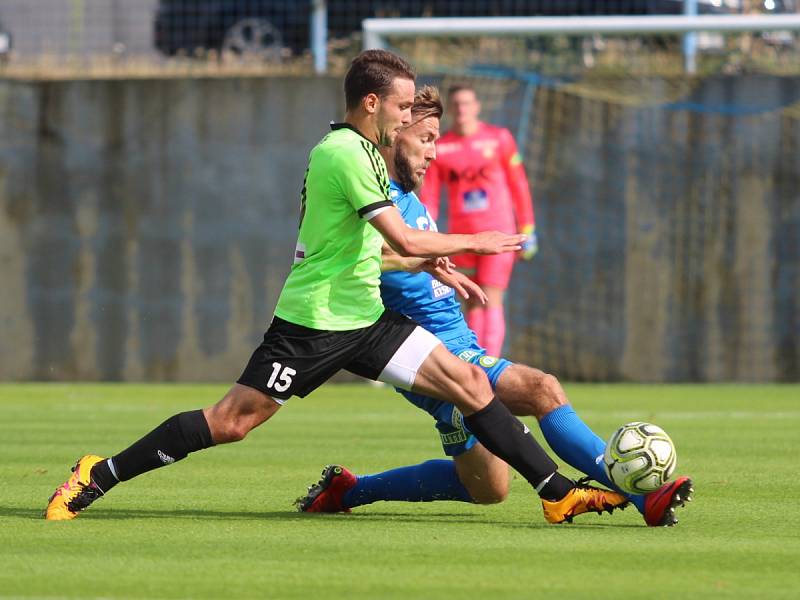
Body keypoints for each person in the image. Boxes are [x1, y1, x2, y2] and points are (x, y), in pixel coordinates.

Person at [45, 50, 627, 524]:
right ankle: (100, 474)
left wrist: (421, 266)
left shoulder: (366, 153)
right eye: (401, 106)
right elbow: (404, 238)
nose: (407, 118)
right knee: (231, 423)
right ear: (371, 102)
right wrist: (477, 241)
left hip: (365, 319)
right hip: (313, 324)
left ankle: (556, 491)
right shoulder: (343, 153)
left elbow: (373, 252)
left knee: (468, 380)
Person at [296, 86, 693, 527]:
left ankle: (350, 489)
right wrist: (427, 258)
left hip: (453, 342)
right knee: (542, 389)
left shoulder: (406, 194)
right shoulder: (371, 192)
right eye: (426, 138)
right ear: (393, 133)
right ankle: (643, 497)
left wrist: (429, 264)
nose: (434, 152)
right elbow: (349, 258)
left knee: (487, 488)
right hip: (430, 353)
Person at [419, 84, 536, 357]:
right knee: (472, 300)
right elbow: (431, 196)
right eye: (457, 104)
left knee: (492, 297)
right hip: (463, 238)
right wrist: (426, 234)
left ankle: (489, 363)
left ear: (476, 107)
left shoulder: (499, 139)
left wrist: (528, 227)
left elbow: (518, 184)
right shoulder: (442, 147)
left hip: (500, 233)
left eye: (467, 103)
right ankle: (475, 361)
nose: (462, 109)